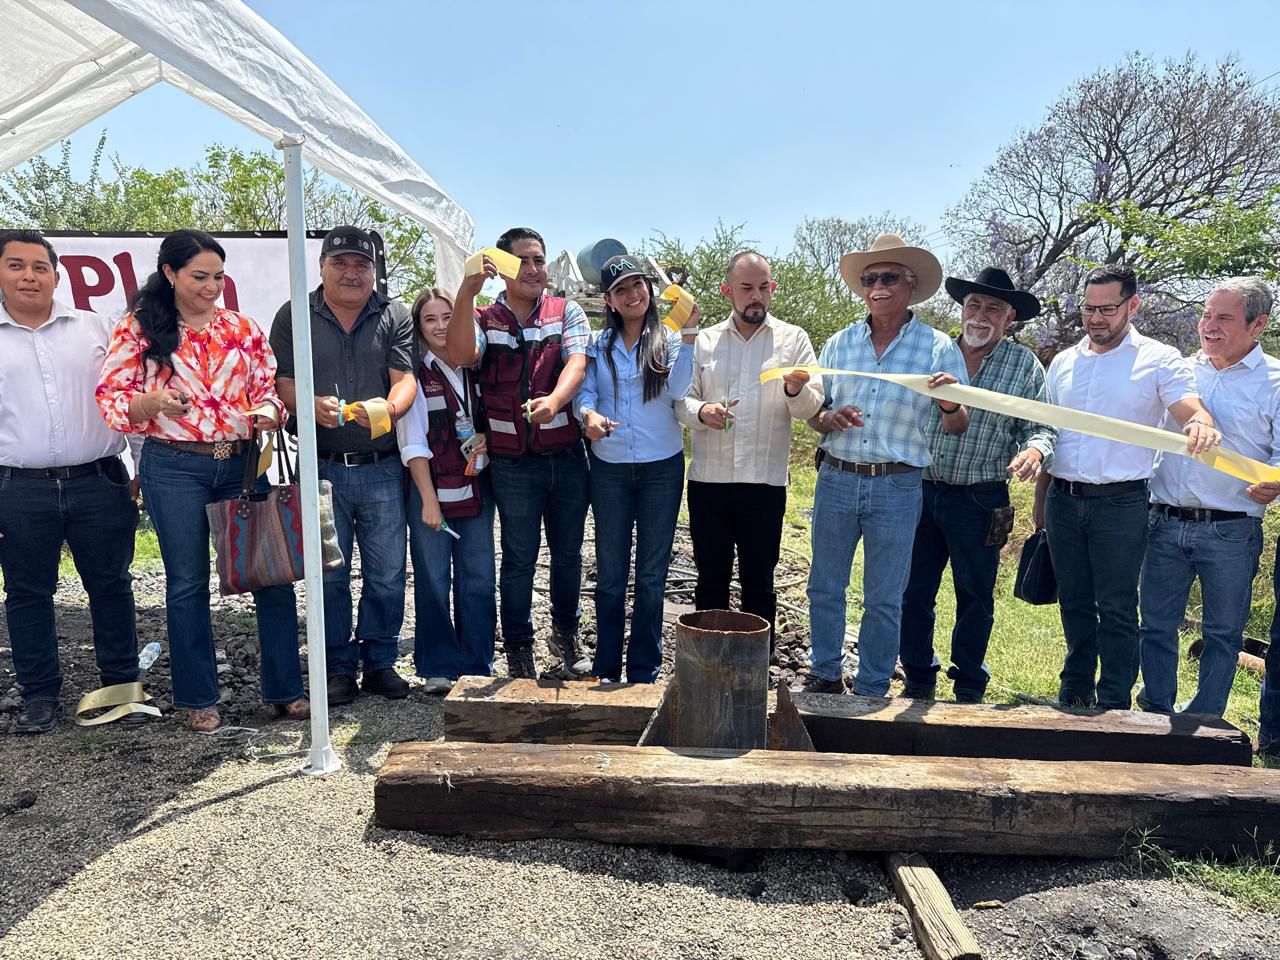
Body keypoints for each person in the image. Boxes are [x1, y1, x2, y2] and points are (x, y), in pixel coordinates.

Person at [97, 229, 307, 732]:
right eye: (199, 277)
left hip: (241, 462)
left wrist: (268, 412)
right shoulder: (138, 329)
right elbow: (110, 398)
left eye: (218, 276)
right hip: (174, 464)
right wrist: (152, 402)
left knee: (270, 574)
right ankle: (198, 698)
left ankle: (286, 690)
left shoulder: (242, 327)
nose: (212, 287)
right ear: (169, 273)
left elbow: (269, 389)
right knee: (187, 582)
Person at [1032, 264, 1221, 710]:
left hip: (1121, 504)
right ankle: (1074, 691)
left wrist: (1200, 422)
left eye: (1107, 309)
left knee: (1116, 606)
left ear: (1132, 305)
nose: (1096, 318)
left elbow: (1189, 407)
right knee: (1073, 601)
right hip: (1063, 499)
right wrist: (1041, 499)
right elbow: (1050, 430)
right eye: (1088, 309)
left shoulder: (1159, 359)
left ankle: (1113, 702)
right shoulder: (1064, 362)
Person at [803, 234, 970, 697]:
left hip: (897, 486)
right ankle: (825, 673)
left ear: (911, 284)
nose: (877, 287)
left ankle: (872, 686)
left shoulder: (938, 349)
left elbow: (958, 423)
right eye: (869, 279)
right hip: (836, 477)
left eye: (889, 278)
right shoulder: (838, 344)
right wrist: (827, 418)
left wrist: (949, 403)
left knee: (884, 596)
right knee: (824, 585)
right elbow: (816, 413)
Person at [0, 230, 141, 734]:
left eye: (40, 267)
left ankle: (122, 689)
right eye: (16, 265)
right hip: (17, 488)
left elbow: (129, 399)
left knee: (112, 585)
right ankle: (39, 696)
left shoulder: (97, 328)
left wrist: (142, 467)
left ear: (57, 276)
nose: (29, 276)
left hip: (99, 480)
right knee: (27, 592)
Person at [269, 225, 417, 706]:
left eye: (361, 264)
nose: (351, 273)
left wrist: (389, 410)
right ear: (322, 267)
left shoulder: (394, 314)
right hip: (321, 466)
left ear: (373, 270)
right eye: (341, 263)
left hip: (382, 466)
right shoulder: (294, 313)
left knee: (387, 573)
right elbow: (283, 382)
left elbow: (405, 380)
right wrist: (307, 404)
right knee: (328, 574)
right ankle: (336, 667)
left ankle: (380, 661)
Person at [898, 268, 1055, 703]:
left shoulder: (1024, 365)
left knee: (976, 594)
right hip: (920, 489)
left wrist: (1035, 452)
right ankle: (918, 676)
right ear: (962, 309)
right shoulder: (934, 353)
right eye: (974, 305)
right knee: (913, 590)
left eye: (993, 309)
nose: (980, 316)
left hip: (982, 498)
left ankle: (969, 683)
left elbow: (1042, 426)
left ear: (1009, 318)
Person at [447, 229, 591, 680]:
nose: (533, 269)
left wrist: (556, 401)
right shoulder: (484, 317)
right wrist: (466, 292)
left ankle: (566, 634)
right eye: (523, 261)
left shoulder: (566, 311)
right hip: (512, 464)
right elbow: (461, 353)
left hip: (567, 457)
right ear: (504, 267)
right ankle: (518, 646)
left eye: (539, 260)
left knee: (568, 555)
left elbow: (577, 362)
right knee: (519, 558)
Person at [1138, 278, 1280, 717]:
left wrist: (1276, 481)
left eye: (1224, 318)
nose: (1209, 325)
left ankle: (1204, 722)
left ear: (1258, 324)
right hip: (1162, 520)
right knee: (1155, 625)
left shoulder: (1275, 381)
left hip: (1232, 529)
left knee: (1223, 633)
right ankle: (1154, 714)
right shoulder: (1178, 371)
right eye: (1205, 314)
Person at [675, 251, 824, 640]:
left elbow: (811, 407)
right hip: (710, 482)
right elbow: (680, 400)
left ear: (772, 288)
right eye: (746, 288)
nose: (756, 296)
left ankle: (756, 661)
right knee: (710, 577)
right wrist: (702, 410)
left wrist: (795, 389)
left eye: (763, 287)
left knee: (760, 579)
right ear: (727, 291)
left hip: (764, 483)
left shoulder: (794, 340)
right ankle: (708, 657)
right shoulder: (704, 341)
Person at [577, 255, 699, 682]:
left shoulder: (669, 339)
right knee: (610, 572)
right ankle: (606, 665)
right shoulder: (597, 346)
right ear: (609, 300)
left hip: (660, 469)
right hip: (609, 468)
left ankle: (644, 669)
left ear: (649, 290)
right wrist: (588, 416)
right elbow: (585, 394)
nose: (633, 295)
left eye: (638, 285)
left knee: (651, 574)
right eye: (621, 289)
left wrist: (690, 333)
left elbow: (679, 389)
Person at [397, 287, 496, 695]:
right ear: (418, 328)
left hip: (475, 486)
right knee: (433, 577)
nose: (440, 327)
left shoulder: (477, 366)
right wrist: (428, 500)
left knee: (479, 576)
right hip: (430, 489)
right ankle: (438, 665)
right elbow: (412, 442)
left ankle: (478, 663)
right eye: (430, 319)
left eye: (447, 317)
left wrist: (485, 438)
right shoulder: (414, 375)